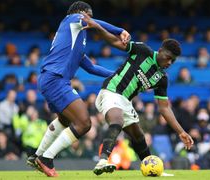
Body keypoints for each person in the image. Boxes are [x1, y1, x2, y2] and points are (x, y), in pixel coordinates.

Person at [80, 14, 193, 175]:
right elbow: (114, 42)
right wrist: (97, 27)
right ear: (160, 51)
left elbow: (164, 108)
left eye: (172, 61)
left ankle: (153, 168)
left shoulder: (162, 79)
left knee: (138, 136)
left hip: (125, 100)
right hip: (111, 91)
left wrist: (181, 131)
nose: (169, 63)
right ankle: (103, 160)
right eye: (168, 57)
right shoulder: (143, 50)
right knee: (117, 120)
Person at [27, 1, 130, 177]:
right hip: (56, 79)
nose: (90, 19)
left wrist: (118, 75)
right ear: (80, 13)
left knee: (65, 120)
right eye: (88, 15)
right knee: (84, 123)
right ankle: (46, 158)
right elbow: (94, 22)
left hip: (52, 79)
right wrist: (119, 30)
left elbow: (92, 68)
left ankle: (37, 155)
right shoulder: (71, 19)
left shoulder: (76, 40)